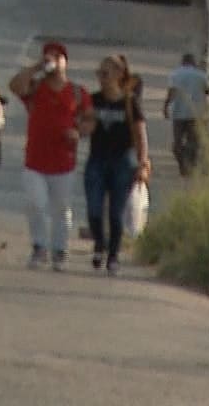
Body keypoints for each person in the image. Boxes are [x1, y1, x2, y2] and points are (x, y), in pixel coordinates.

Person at [8, 41, 92, 272]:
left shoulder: (76, 92)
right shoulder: (35, 89)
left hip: (63, 162)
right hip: (35, 161)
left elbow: (89, 120)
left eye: (57, 57)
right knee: (35, 203)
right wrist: (36, 67)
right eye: (48, 56)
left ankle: (60, 250)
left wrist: (78, 132)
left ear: (66, 61)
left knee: (61, 208)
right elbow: (14, 86)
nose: (52, 60)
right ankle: (39, 246)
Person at [82, 54, 150, 275]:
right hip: (97, 160)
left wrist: (142, 163)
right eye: (99, 73)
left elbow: (140, 136)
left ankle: (113, 255)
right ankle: (99, 244)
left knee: (116, 212)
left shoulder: (130, 103)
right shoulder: (93, 100)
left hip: (122, 161)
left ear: (119, 75)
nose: (101, 78)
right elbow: (84, 128)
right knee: (93, 207)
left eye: (105, 73)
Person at [163, 52, 209, 177]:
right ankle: (191, 164)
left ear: (182, 62)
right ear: (193, 62)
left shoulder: (175, 74)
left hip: (178, 113)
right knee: (194, 141)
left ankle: (182, 164)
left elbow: (171, 92)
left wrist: (165, 106)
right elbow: (207, 91)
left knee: (177, 141)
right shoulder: (201, 75)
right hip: (196, 113)